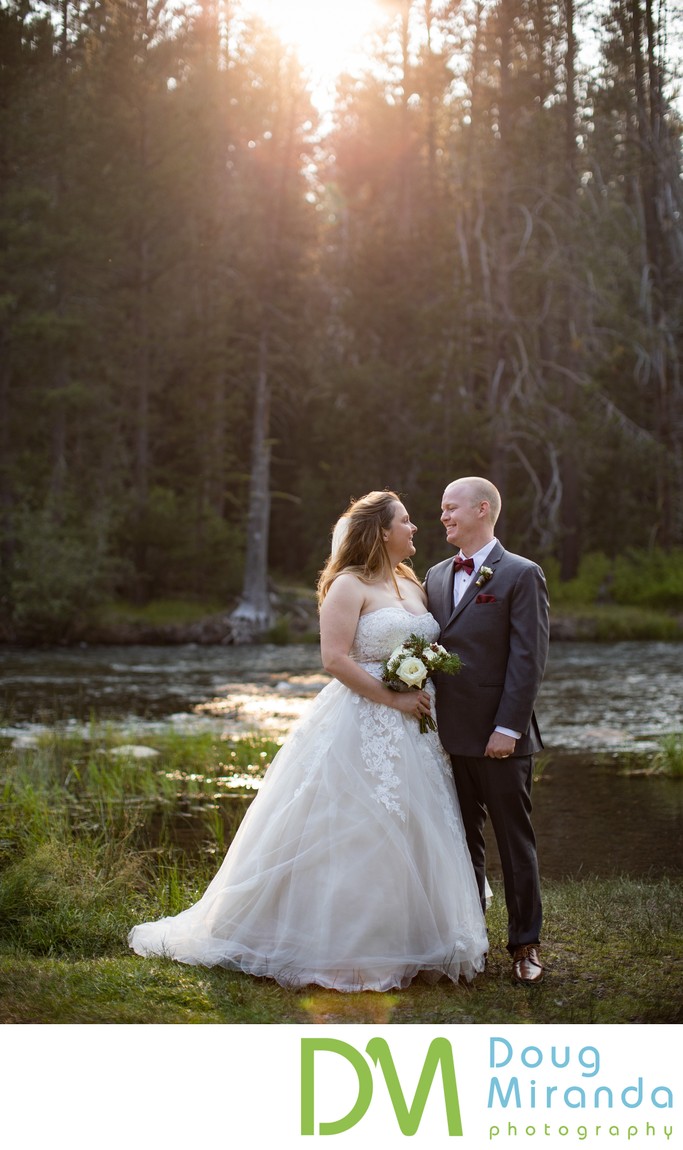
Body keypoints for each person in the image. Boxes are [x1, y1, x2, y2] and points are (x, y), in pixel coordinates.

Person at [129, 491, 488, 991]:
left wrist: (419, 684)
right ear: (382, 531)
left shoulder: (412, 581)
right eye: (406, 521)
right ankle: (344, 946)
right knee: (357, 827)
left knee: (415, 825)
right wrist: (393, 698)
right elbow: (335, 659)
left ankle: (417, 938)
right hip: (363, 719)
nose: (415, 528)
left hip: (416, 731)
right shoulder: (348, 584)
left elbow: (426, 645)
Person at [424, 477, 549, 985]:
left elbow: (529, 659)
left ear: (483, 510)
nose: (443, 517)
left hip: (501, 738)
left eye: (451, 508)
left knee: (513, 842)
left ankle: (526, 945)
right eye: (440, 509)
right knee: (461, 843)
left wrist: (508, 728)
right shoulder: (432, 576)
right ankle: (472, 940)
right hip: (443, 738)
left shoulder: (521, 574)